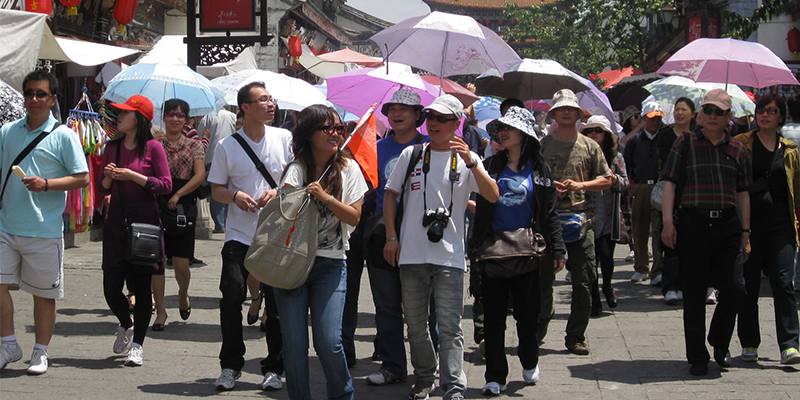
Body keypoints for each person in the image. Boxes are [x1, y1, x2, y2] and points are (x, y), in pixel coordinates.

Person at [383, 94, 499, 400]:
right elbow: (390, 195)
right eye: (431, 117)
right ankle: (424, 377)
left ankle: (453, 385)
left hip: (449, 257)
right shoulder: (412, 154)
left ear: (457, 124)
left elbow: (492, 195)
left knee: (450, 327)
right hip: (411, 253)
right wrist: (392, 237)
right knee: (416, 326)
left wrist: (473, 162)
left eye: (443, 118)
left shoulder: (466, 159)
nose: (434, 123)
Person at [0, 69, 89, 374]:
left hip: (43, 229)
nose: (34, 100)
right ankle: (9, 345)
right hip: (6, 224)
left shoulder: (64, 135)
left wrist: (47, 185)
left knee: (44, 294)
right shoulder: (8, 131)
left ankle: (41, 351)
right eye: (29, 93)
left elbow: (82, 178)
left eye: (41, 94)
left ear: (52, 99)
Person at [471, 107, 566, 395]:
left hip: (528, 252)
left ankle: (529, 359)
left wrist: (558, 247)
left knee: (528, 314)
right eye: (501, 128)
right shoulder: (490, 166)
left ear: (524, 134)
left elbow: (549, 213)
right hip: (493, 250)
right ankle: (495, 376)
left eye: (509, 128)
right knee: (494, 317)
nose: (503, 132)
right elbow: (477, 200)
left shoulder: (540, 169)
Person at [275, 104, 367, 400]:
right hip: (291, 263)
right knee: (294, 343)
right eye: (328, 128)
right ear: (310, 133)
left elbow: (353, 217)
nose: (336, 134)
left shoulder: (349, 169)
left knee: (329, 341)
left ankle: (343, 394)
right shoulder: (296, 169)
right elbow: (285, 211)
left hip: (330, 264)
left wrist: (326, 198)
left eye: (339, 129)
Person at [661, 88, 751, 376]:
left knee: (736, 288)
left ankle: (719, 340)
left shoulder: (738, 149)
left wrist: (746, 231)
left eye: (719, 112)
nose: (712, 117)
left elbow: (743, 193)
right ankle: (697, 356)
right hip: (693, 224)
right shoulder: (685, 143)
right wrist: (667, 222)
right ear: (701, 114)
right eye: (708, 111)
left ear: (729, 117)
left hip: (728, 226)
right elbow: (670, 184)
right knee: (695, 293)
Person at [209, 82, 293, 391]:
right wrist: (235, 196)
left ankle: (275, 367)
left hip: (275, 234)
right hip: (239, 234)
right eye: (262, 100)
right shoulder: (227, 146)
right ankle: (230, 365)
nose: (270, 104)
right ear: (245, 107)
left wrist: (278, 190)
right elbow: (216, 188)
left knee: (276, 302)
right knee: (231, 296)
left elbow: (296, 180)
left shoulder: (284, 138)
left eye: (271, 99)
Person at [99, 94, 172, 367]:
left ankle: (138, 345)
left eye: (125, 113)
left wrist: (133, 176)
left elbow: (165, 185)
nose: (119, 116)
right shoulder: (112, 146)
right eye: (119, 112)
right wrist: (108, 176)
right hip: (117, 221)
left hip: (145, 222)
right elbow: (103, 187)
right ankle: (126, 323)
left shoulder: (153, 147)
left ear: (139, 119)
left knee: (142, 288)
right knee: (110, 286)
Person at [363, 88, 429, 386]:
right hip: (383, 232)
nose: (397, 113)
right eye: (392, 109)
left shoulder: (433, 146)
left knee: (427, 307)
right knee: (386, 304)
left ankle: (429, 366)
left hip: (423, 234)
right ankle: (393, 366)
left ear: (418, 115)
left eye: (405, 109)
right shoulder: (376, 147)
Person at [538, 89, 612, 355]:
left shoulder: (590, 146)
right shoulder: (543, 146)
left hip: (583, 220)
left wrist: (581, 184)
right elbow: (532, 178)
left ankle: (576, 335)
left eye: (571, 109)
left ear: (579, 115)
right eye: (561, 109)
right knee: (543, 280)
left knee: (584, 279)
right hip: (548, 222)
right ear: (554, 114)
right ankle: (539, 326)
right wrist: (550, 186)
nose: (567, 112)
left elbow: (607, 179)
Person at [734, 94, 800, 365]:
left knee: (783, 282)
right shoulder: (741, 144)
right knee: (747, 284)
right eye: (760, 110)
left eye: (771, 111)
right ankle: (749, 343)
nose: (764, 115)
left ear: (781, 117)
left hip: (781, 224)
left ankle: (790, 344)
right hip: (749, 225)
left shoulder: (791, 149)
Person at [151, 99, 205, 330]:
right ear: (163, 117)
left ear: (187, 119)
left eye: (180, 115)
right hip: (157, 204)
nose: (175, 119)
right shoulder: (155, 145)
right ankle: (160, 310)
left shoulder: (194, 145)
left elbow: (199, 175)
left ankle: (183, 293)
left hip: (183, 205)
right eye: (171, 114)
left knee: (181, 264)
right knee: (157, 262)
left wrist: (178, 194)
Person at [582, 116, 630, 314]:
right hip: (589, 212)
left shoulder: (616, 156)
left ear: (606, 134)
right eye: (589, 131)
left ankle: (608, 286)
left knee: (607, 255)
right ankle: (594, 298)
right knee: (590, 258)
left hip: (609, 213)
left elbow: (625, 183)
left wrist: (612, 177)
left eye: (597, 130)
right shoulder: (582, 154)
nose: (593, 134)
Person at [657, 97, 697, 304]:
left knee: (691, 241)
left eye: (684, 110)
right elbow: (667, 163)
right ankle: (671, 285)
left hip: (694, 191)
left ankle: (690, 283)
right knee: (670, 240)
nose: (680, 113)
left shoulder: (700, 136)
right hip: (671, 189)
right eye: (677, 109)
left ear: (693, 113)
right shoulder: (665, 135)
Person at [623, 101, 665, 285]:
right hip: (639, 186)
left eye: (658, 118)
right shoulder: (634, 140)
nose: (655, 122)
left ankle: (658, 270)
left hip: (659, 186)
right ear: (644, 119)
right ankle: (641, 267)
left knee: (659, 229)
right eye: (652, 118)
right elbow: (628, 164)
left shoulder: (665, 139)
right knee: (639, 229)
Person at [198, 109, 237, 234]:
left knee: (216, 190)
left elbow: (200, 138)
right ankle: (228, 222)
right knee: (231, 189)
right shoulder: (233, 116)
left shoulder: (208, 117)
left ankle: (220, 224)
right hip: (232, 158)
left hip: (213, 158)